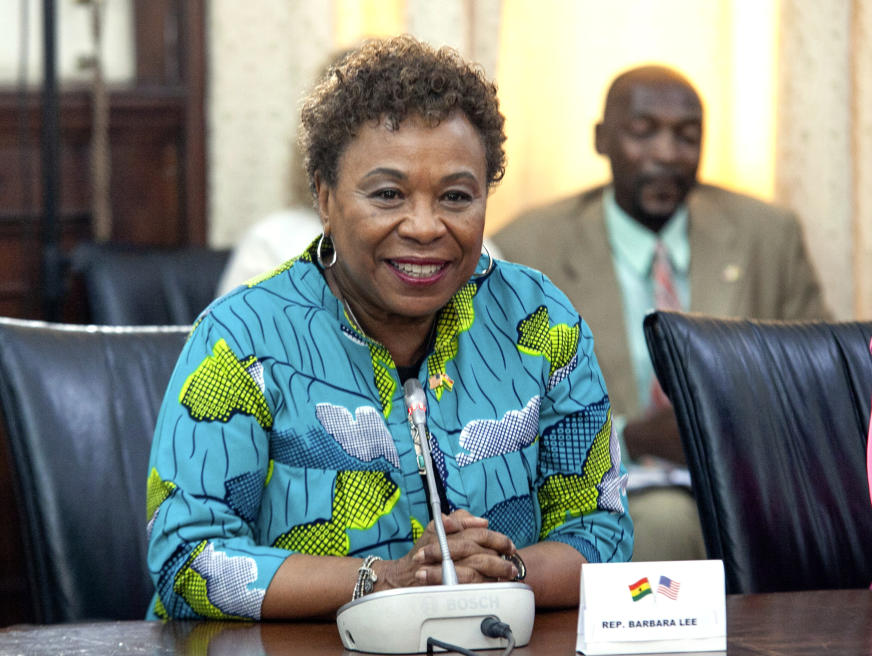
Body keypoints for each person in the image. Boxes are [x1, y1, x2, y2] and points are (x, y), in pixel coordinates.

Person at [146, 35, 632, 621]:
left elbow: (601, 533)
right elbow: (188, 560)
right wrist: (389, 580)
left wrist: (500, 572)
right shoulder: (242, 337)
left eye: (456, 196)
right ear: (324, 198)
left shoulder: (540, 321)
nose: (426, 227)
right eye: (388, 194)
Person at [492, 65, 830, 562]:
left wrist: (730, 431)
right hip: (609, 487)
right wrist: (627, 436)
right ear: (601, 139)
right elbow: (504, 412)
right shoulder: (528, 247)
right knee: (667, 525)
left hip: (749, 476)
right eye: (643, 132)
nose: (667, 154)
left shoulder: (766, 235)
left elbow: (818, 379)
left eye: (687, 136)